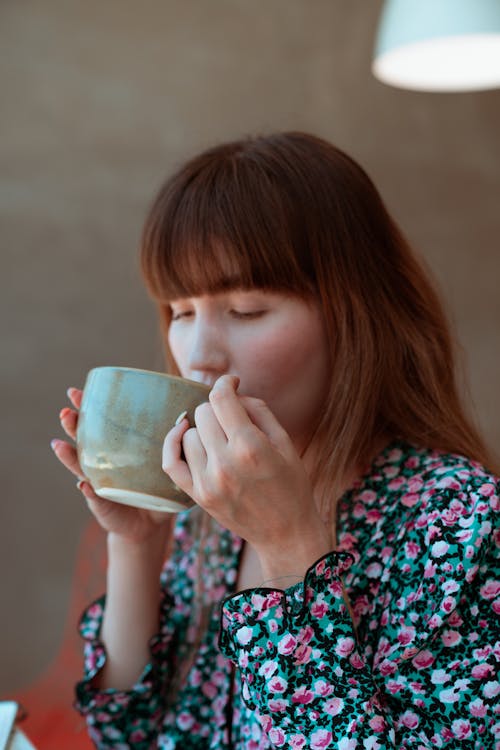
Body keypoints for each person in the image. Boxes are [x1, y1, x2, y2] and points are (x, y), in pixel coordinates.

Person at [51, 132, 500, 749]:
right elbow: (130, 735)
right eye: (181, 311)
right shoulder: (206, 513)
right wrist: (138, 544)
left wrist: (292, 551)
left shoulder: (461, 523)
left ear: (354, 315)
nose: (199, 356)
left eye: (247, 309)